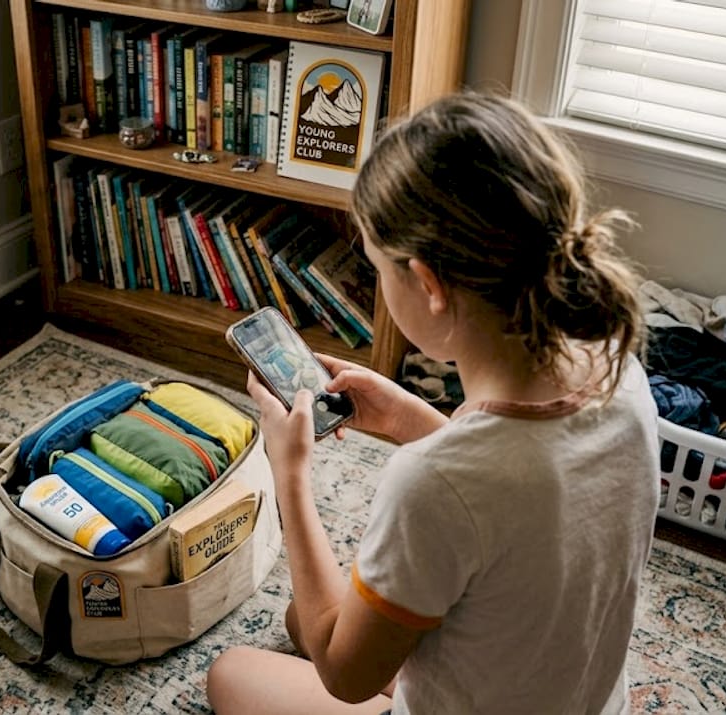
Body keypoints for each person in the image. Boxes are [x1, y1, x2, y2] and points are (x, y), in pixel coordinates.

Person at [206, 92, 660, 714]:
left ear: (427, 283)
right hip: (571, 693)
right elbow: (513, 488)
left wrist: (290, 474)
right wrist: (401, 418)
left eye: (377, 271)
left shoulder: (431, 485)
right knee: (302, 617)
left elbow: (345, 674)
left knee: (234, 673)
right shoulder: (617, 368)